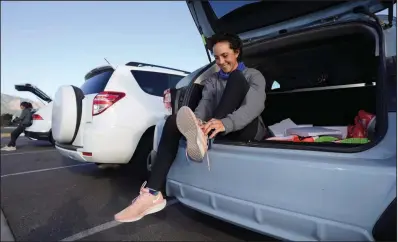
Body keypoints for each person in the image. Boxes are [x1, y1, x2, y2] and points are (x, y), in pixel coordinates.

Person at [114, 33, 267, 223]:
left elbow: (254, 106)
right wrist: (197, 121)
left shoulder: (253, 75)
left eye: (225, 55)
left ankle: (204, 138)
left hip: (245, 128)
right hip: (216, 127)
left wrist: (224, 122)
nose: (220, 61)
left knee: (236, 78)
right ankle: (152, 194)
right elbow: (205, 103)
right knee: (172, 120)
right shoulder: (212, 80)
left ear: (237, 52)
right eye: (216, 57)